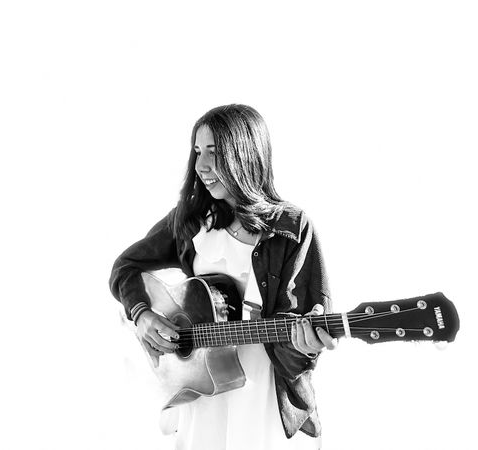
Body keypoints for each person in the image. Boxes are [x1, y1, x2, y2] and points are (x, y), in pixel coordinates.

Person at [109, 104, 337, 450]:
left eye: (213, 152)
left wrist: (306, 346)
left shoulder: (291, 228)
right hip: (203, 392)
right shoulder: (192, 220)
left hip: (263, 395)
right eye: (197, 152)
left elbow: (305, 333)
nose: (201, 166)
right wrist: (142, 314)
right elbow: (125, 267)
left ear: (245, 154)